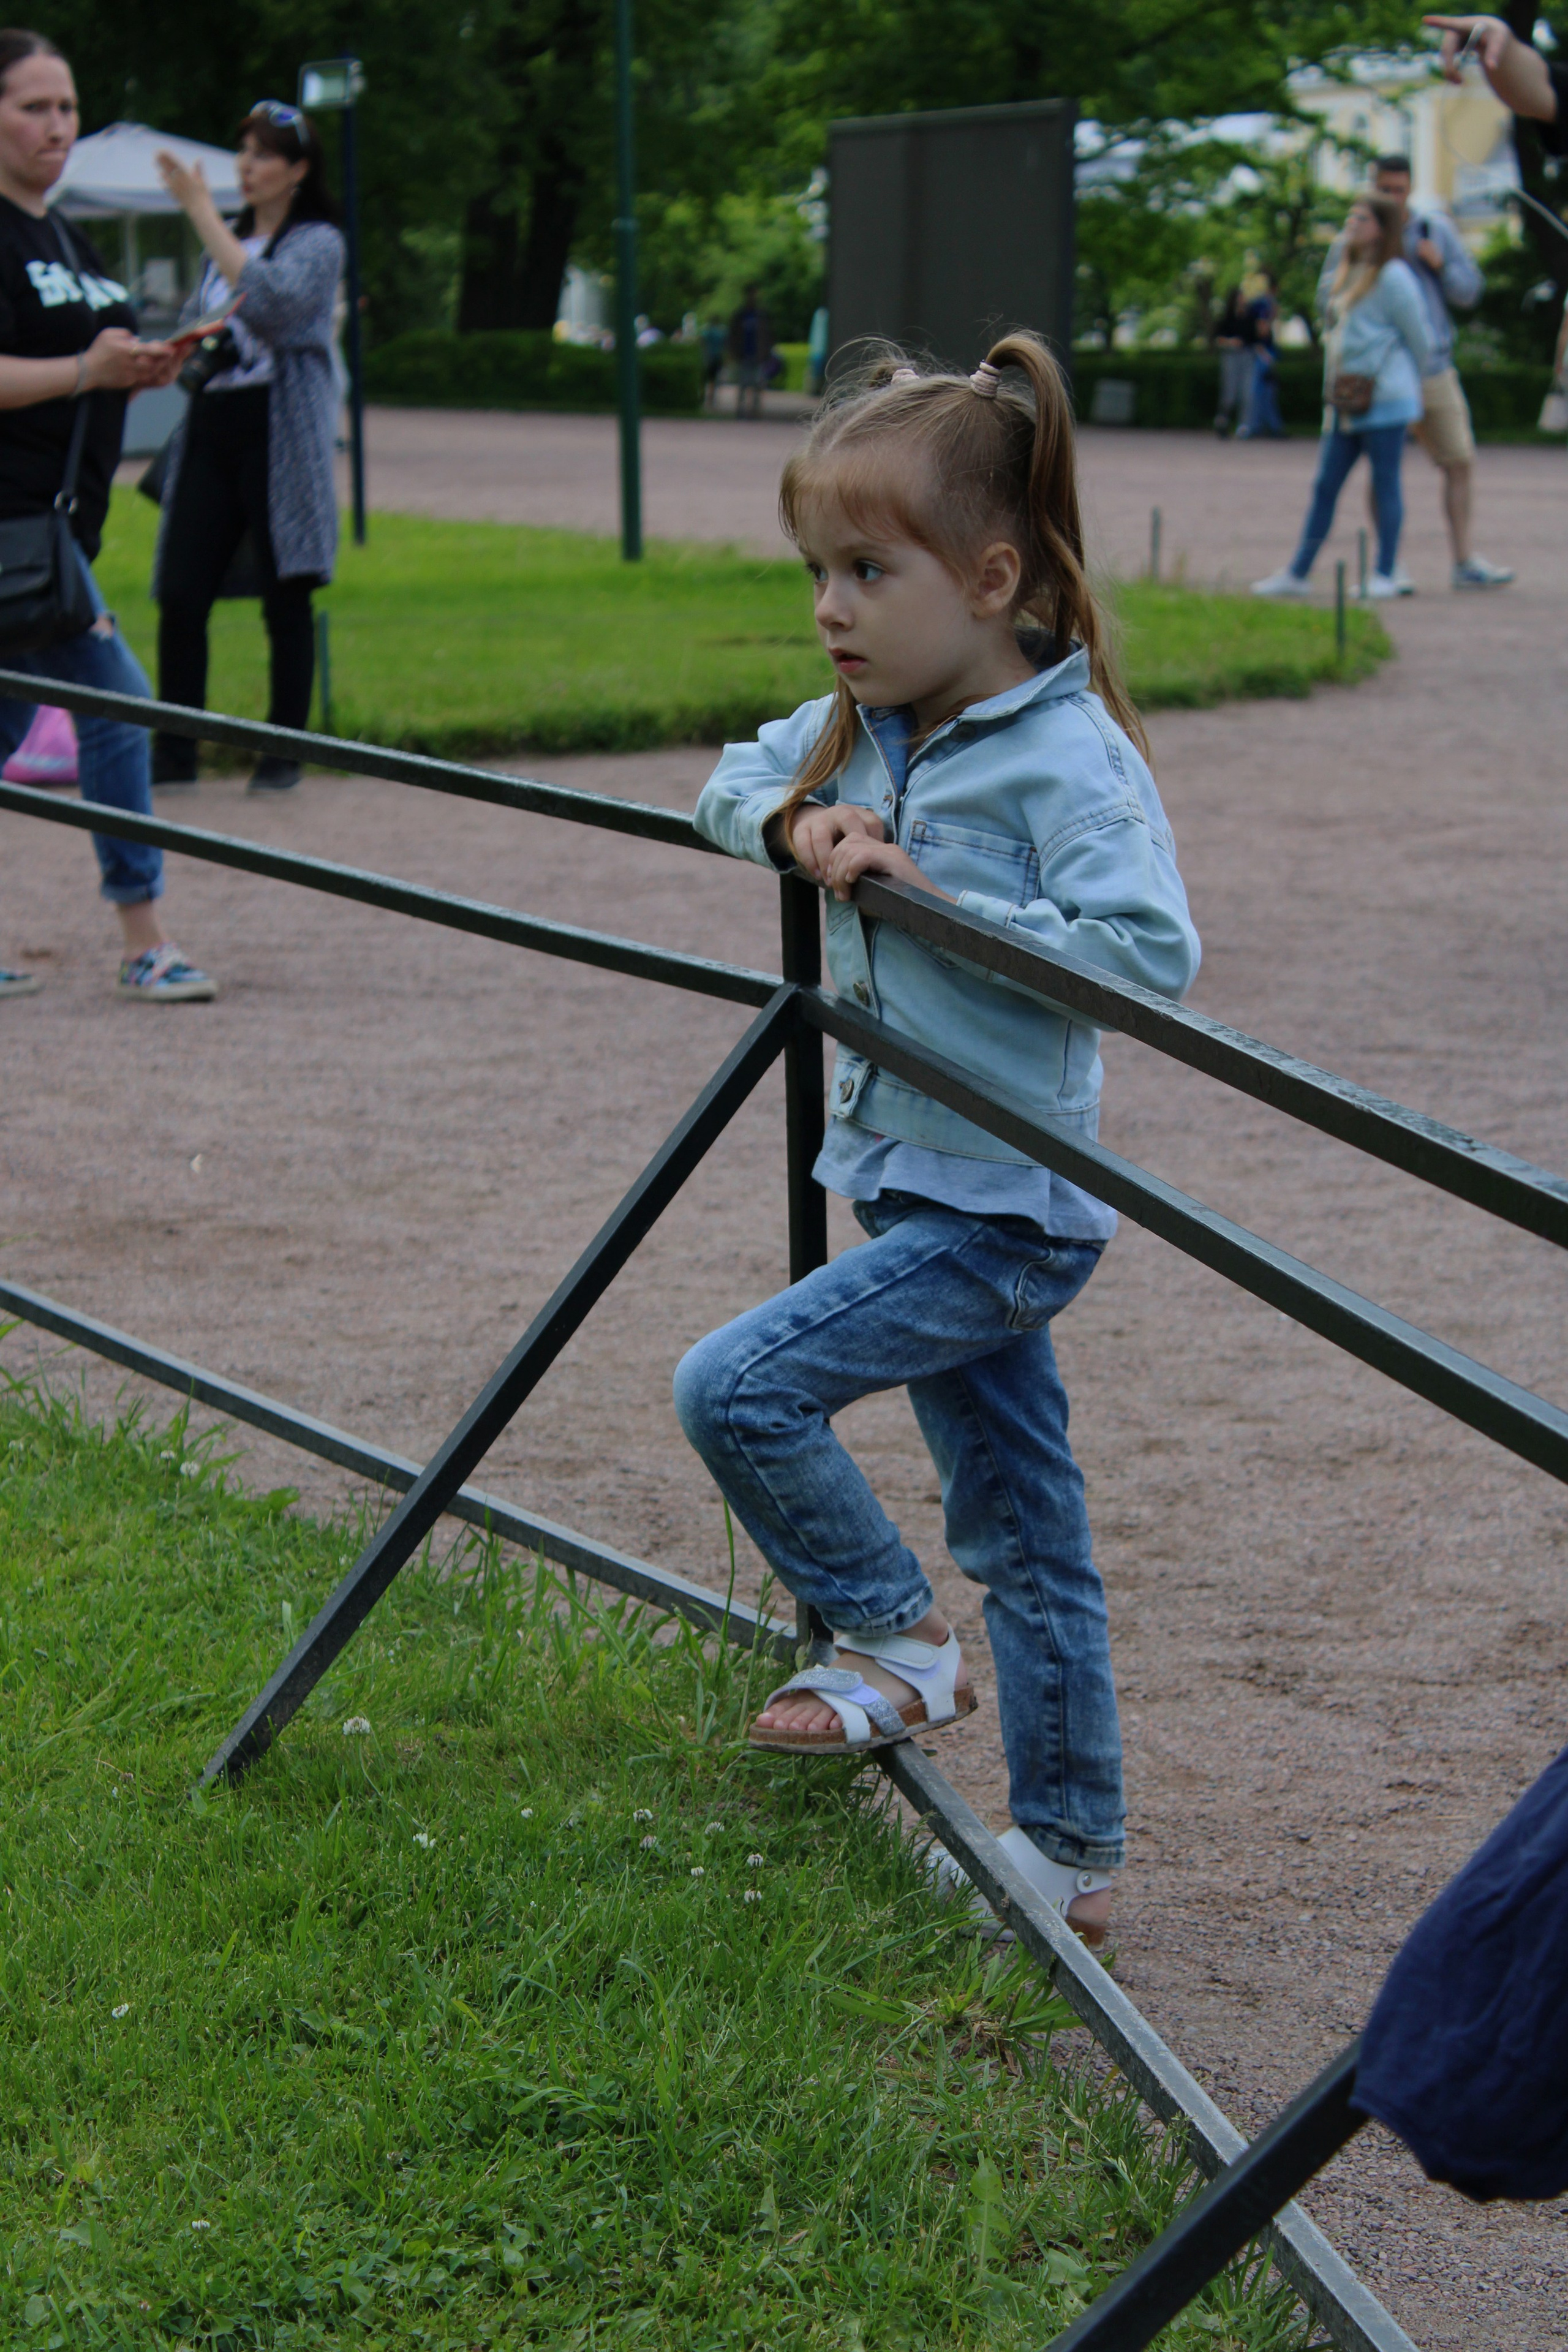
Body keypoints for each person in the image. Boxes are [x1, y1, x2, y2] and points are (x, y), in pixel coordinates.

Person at [673, 334, 1200, 1945]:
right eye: (817, 571)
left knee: (737, 1386)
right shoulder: (862, 722)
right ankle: (1071, 1852)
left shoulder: (1067, 756)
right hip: (911, 1188)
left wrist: (930, 900)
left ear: (990, 577)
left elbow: (1148, 960)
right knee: (1025, 1528)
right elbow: (720, 784)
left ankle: (895, 1644)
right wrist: (797, 824)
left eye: (865, 570)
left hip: (1006, 1213)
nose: (830, 609)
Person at [0, 27, 215, 1005]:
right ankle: (145, 936)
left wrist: (140, 369)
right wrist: (89, 367)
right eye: (34, 107)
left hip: (55, 533)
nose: (58, 126)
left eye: (67, 107)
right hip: (10, 526)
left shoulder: (67, 233)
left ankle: (142, 934)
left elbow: (86, 369)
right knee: (120, 705)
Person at [151, 104, 344, 796]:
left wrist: (201, 210)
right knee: (180, 592)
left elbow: (273, 305)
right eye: (243, 151)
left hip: (279, 430)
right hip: (213, 424)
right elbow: (202, 319)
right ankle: (175, 753)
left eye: (264, 154)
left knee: (285, 595)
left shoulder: (320, 241)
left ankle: (281, 753)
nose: (247, 166)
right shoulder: (226, 240)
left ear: (297, 170)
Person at [1321, 149, 1511, 592]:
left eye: (1400, 191)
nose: (1394, 199)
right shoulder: (1354, 238)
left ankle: (1463, 561)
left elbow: (1470, 292)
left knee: (1459, 461)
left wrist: (1439, 266)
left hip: (1432, 368)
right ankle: (1390, 567)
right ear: (1373, 188)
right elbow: (1325, 302)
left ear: (1410, 188)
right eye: (1385, 190)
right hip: (1380, 379)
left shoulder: (1434, 230)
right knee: (1383, 470)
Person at [1253, 194, 1431, 601]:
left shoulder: (1394, 276)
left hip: (1384, 400)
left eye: (1363, 219)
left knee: (1386, 484)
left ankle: (1385, 572)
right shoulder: (1347, 271)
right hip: (1346, 402)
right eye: (1352, 217)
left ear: (1383, 229)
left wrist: (1398, 379)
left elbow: (1421, 339)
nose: (1352, 224)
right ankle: (1298, 572)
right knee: (1325, 485)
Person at [1238, 270, 1286, 440]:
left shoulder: (1262, 304)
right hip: (1262, 352)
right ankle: (1261, 426)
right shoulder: (1262, 305)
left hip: (1263, 351)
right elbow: (1262, 330)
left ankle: (1267, 426)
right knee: (1260, 391)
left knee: (1266, 390)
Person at [1212, 282, 1255, 437]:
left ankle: (1244, 427)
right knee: (1229, 392)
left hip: (1247, 356)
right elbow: (1218, 339)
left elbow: (1254, 339)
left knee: (1247, 393)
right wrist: (1231, 342)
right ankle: (1223, 421)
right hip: (1231, 356)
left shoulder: (1250, 317)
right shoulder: (1227, 318)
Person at [726, 282, 771, 420]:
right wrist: (733, 352)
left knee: (758, 384)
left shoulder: (762, 316)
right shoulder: (740, 315)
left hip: (758, 355)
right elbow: (733, 335)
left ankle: (755, 411)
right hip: (744, 354)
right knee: (743, 384)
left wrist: (766, 351)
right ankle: (741, 410)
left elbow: (768, 335)